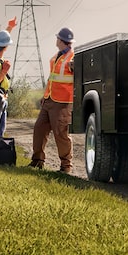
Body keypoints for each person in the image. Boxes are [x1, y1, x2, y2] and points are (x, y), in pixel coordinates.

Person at [30, 27, 75, 172]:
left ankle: (66, 166)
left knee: (61, 134)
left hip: (62, 103)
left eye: (58, 38)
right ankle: (37, 161)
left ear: (60, 40)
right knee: (39, 128)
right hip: (49, 100)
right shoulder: (57, 56)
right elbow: (52, 78)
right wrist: (44, 96)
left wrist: (74, 67)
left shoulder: (72, 58)